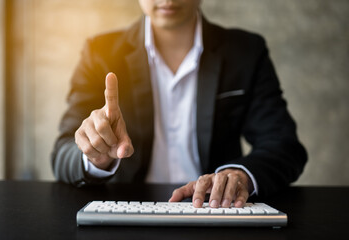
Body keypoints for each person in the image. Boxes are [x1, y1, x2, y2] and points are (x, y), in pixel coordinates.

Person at [51, 0, 307, 208]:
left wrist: (240, 176)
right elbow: (63, 151)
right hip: (127, 212)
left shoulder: (246, 52)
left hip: (215, 211)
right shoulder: (99, 52)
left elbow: (284, 146)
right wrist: (95, 156)